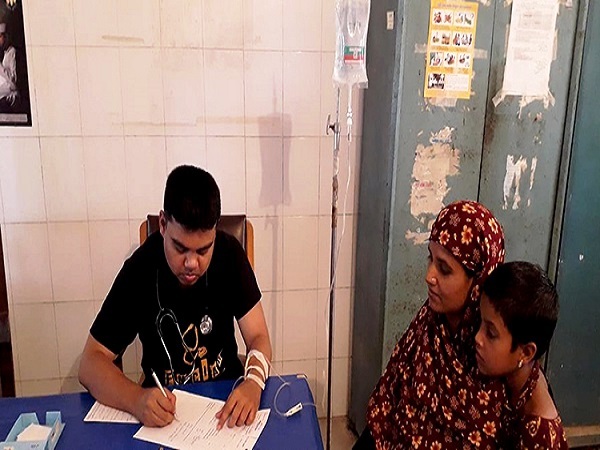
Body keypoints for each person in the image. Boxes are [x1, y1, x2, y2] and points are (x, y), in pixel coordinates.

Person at [79, 165, 272, 430]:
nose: (192, 263)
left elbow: (258, 336)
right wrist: (136, 400)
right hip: (163, 411)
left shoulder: (229, 255)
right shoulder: (140, 269)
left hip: (225, 403)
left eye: (203, 250)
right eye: (180, 248)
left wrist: (254, 382)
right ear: (162, 224)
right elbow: (90, 363)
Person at [356, 200, 507, 449]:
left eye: (444, 270)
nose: (429, 276)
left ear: (479, 280)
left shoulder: (495, 356)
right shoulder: (428, 328)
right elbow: (386, 413)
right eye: (431, 259)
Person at [476, 261, 569, 449]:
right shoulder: (521, 377)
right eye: (480, 323)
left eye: (491, 333)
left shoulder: (540, 436)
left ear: (526, 353)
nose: (477, 338)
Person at [0, 22, 18, 111]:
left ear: (6, 37)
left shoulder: (12, 52)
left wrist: (1, 68)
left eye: (0, 36)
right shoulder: (5, 54)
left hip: (11, 94)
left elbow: (13, 82)